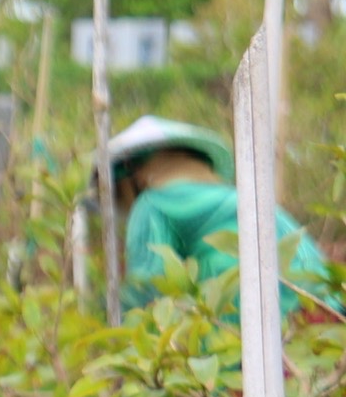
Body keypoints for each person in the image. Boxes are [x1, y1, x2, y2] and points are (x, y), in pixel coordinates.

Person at [109, 115, 339, 317]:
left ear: (132, 178)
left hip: (253, 304)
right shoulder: (233, 196)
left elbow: (145, 284)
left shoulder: (152, 203)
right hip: (318, 297)